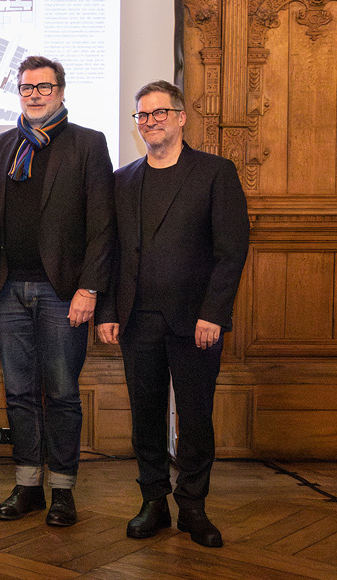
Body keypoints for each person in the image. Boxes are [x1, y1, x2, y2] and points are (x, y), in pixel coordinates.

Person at [97, 80, 249, 548]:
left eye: (160, 113)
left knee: (196, 418)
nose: (151, 122)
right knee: (145, 416)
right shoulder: (122, 179)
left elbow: (231, 250)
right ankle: (154, 503)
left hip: (195, 321)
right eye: (142, 115)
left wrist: (214, 313)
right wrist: (107, 309)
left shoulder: (215, 173)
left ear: (181, 117)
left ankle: (193, 507)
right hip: (137, 319)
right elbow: (111, 252)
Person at [0, 55, 115, 527]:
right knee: (17, 393)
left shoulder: (88, 144)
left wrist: (89, 289)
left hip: (63, 293)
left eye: (43, 86)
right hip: (6, 291)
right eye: (26, 87)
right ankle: (27, 485)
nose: (34, 94)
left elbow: (102, 226)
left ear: (60, 91)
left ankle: (62, 490)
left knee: (60, 393)